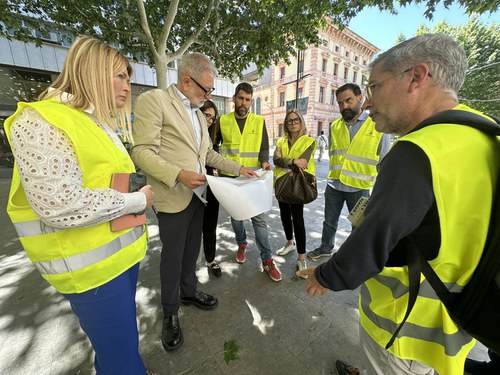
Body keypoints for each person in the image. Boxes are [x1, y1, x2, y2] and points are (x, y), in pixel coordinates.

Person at [297, 33, 500, 375]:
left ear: (417, 77)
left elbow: (371, 243)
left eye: (374, 87)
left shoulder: (416, 152)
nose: (367, 102)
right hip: (451, 324)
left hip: (402, 331)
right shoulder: (485, 133)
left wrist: (325, 275)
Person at [4, 36, 155, 374]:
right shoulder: (41, 119)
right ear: (91, 72)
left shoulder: (96, 122)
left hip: (119, 262)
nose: (127, 87)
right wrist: (138, 199)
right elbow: (61, 204)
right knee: (123, 361)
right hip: (91, 274)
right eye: (119, 76)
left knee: (119, 351)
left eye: (128, 78)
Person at [131, 53, 256, 352]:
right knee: (172, 257)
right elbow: (142, 152)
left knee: (191, 251)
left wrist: (238, 169)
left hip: (198, 196)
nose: (209, 95)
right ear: (186, 80)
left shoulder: (200, 114)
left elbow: (208, 155)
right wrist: (179, 174)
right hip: (173, 195)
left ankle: (188, 291)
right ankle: (170, 311)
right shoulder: (154, 101)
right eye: (206, 89)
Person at [307, 83, 391, 260]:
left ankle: (355, 255)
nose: (344, 106)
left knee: (358, 226)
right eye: (340, 103)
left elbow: (385, 162)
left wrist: (381, 194)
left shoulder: (377, 125)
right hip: (334, 185)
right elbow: (334, 154)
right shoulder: (335, 126)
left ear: (360, 98)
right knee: (329, 222)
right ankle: (325, 248)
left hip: (359, 189)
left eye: (348, 100)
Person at [217, 82, 282, 282]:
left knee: (259, 220)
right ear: (234, 99)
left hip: (253, 179)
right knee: (237, 218)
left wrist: (264, 161)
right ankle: (242, 243)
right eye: (240, 98)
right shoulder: (223, 120)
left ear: (251, 101)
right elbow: (213, 147)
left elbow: (264, 148)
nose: (243, 103)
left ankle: (267, 259)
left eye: (247, 99)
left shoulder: (258, 121)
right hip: (231, 179)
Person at [273, 109, 316, 277]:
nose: (293, 123)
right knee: (284, 215)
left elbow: (303, 163)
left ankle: (301, 257)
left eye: (296, 120)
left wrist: (286, 161)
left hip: (299, 185)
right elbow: (276, 160)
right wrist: (292, 161)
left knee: (298, 219)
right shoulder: (281, 141)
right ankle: (290, 243)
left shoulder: (310, 141)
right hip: (282, 183)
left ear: (301, 121)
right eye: (289, 121)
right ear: (286, 124)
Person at [200, 99, 222, 277]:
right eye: (206, 115)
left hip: (212, 188)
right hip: (192, 188)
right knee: (192, 228)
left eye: (212, 118)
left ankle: (210, 259)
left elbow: (216, 160)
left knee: (210, 225)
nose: (209, 120)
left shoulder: (213, 138)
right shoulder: (190, 135)